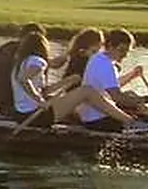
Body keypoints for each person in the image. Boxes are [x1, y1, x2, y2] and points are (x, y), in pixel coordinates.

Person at [78, 28, 148, 149]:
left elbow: (112, 87)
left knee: (134, 99)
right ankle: (144, 129)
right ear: (110, 46)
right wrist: (144, 100)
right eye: (121, 50)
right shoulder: (106, 66)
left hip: (92, 116)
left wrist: (134, 78)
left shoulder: (98, 58)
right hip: (98, 121)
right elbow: (118, 98)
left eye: (127, 51)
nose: (125, 55)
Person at [10, 30, 141, 128]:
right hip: (35, 116)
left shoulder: (23, 62)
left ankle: (130, 120)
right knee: (86, 91)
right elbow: (23, 80)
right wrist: (38, 100)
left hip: (24, 114)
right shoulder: (38, 62)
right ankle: (130, 122)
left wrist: (68, 81)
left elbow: (43, 91)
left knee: (86, 91)